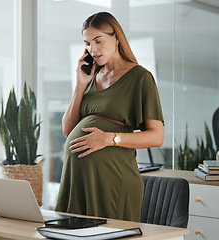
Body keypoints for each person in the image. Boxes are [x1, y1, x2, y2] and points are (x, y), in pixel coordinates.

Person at [54, 12, 164, 222]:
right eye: (87, 43)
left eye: (98, 41)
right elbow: (68, 130)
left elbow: (156, 137)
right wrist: (80, 86)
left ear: (116, 38)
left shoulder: (140, 78)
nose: (92, 50)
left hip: (113, 180)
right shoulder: (91, 77)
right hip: (77, 180)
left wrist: (109, 138)